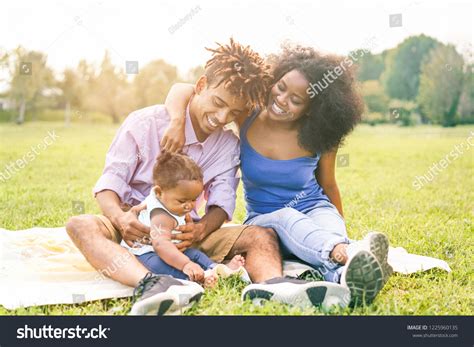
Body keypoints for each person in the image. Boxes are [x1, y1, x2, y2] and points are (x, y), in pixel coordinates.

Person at [66, 39, 348, 315]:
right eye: (217, 103)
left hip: (183, 232)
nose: (222, 117)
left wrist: (200, 230)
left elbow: (222, 203)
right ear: (200, 86)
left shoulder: (226, 144)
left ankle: (273, 287)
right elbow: (110, 182)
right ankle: (151, 284)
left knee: (263, 234)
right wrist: (119, 218)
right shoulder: (145, 124)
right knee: (81, 226)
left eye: (233, 112)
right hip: (131, 226)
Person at [163, 43, 393, 307]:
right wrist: (177, 121)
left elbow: (328, 184)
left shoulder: (321, 134)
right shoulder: (248, 115)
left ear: (311, 108)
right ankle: (349, 251)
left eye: (296, 100)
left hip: (315, 208)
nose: (282, 100)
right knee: (290, 219)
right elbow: (183, 89)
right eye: (280, 87)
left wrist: (337, 225)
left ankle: (349, 280)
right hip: (266, 220)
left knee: (327, 235)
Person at [123, 152, 246, 289]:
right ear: (159, 192)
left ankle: (217, 269)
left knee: (194, 254)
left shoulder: (164, 197)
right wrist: (186, 264)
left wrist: (186, 260)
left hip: (172, 248)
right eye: (182, 201)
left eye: (194, 199)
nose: (189, 206)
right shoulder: (161, 217)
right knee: (160, 265)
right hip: (146, 253)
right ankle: (194, 279)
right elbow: (161, 245)